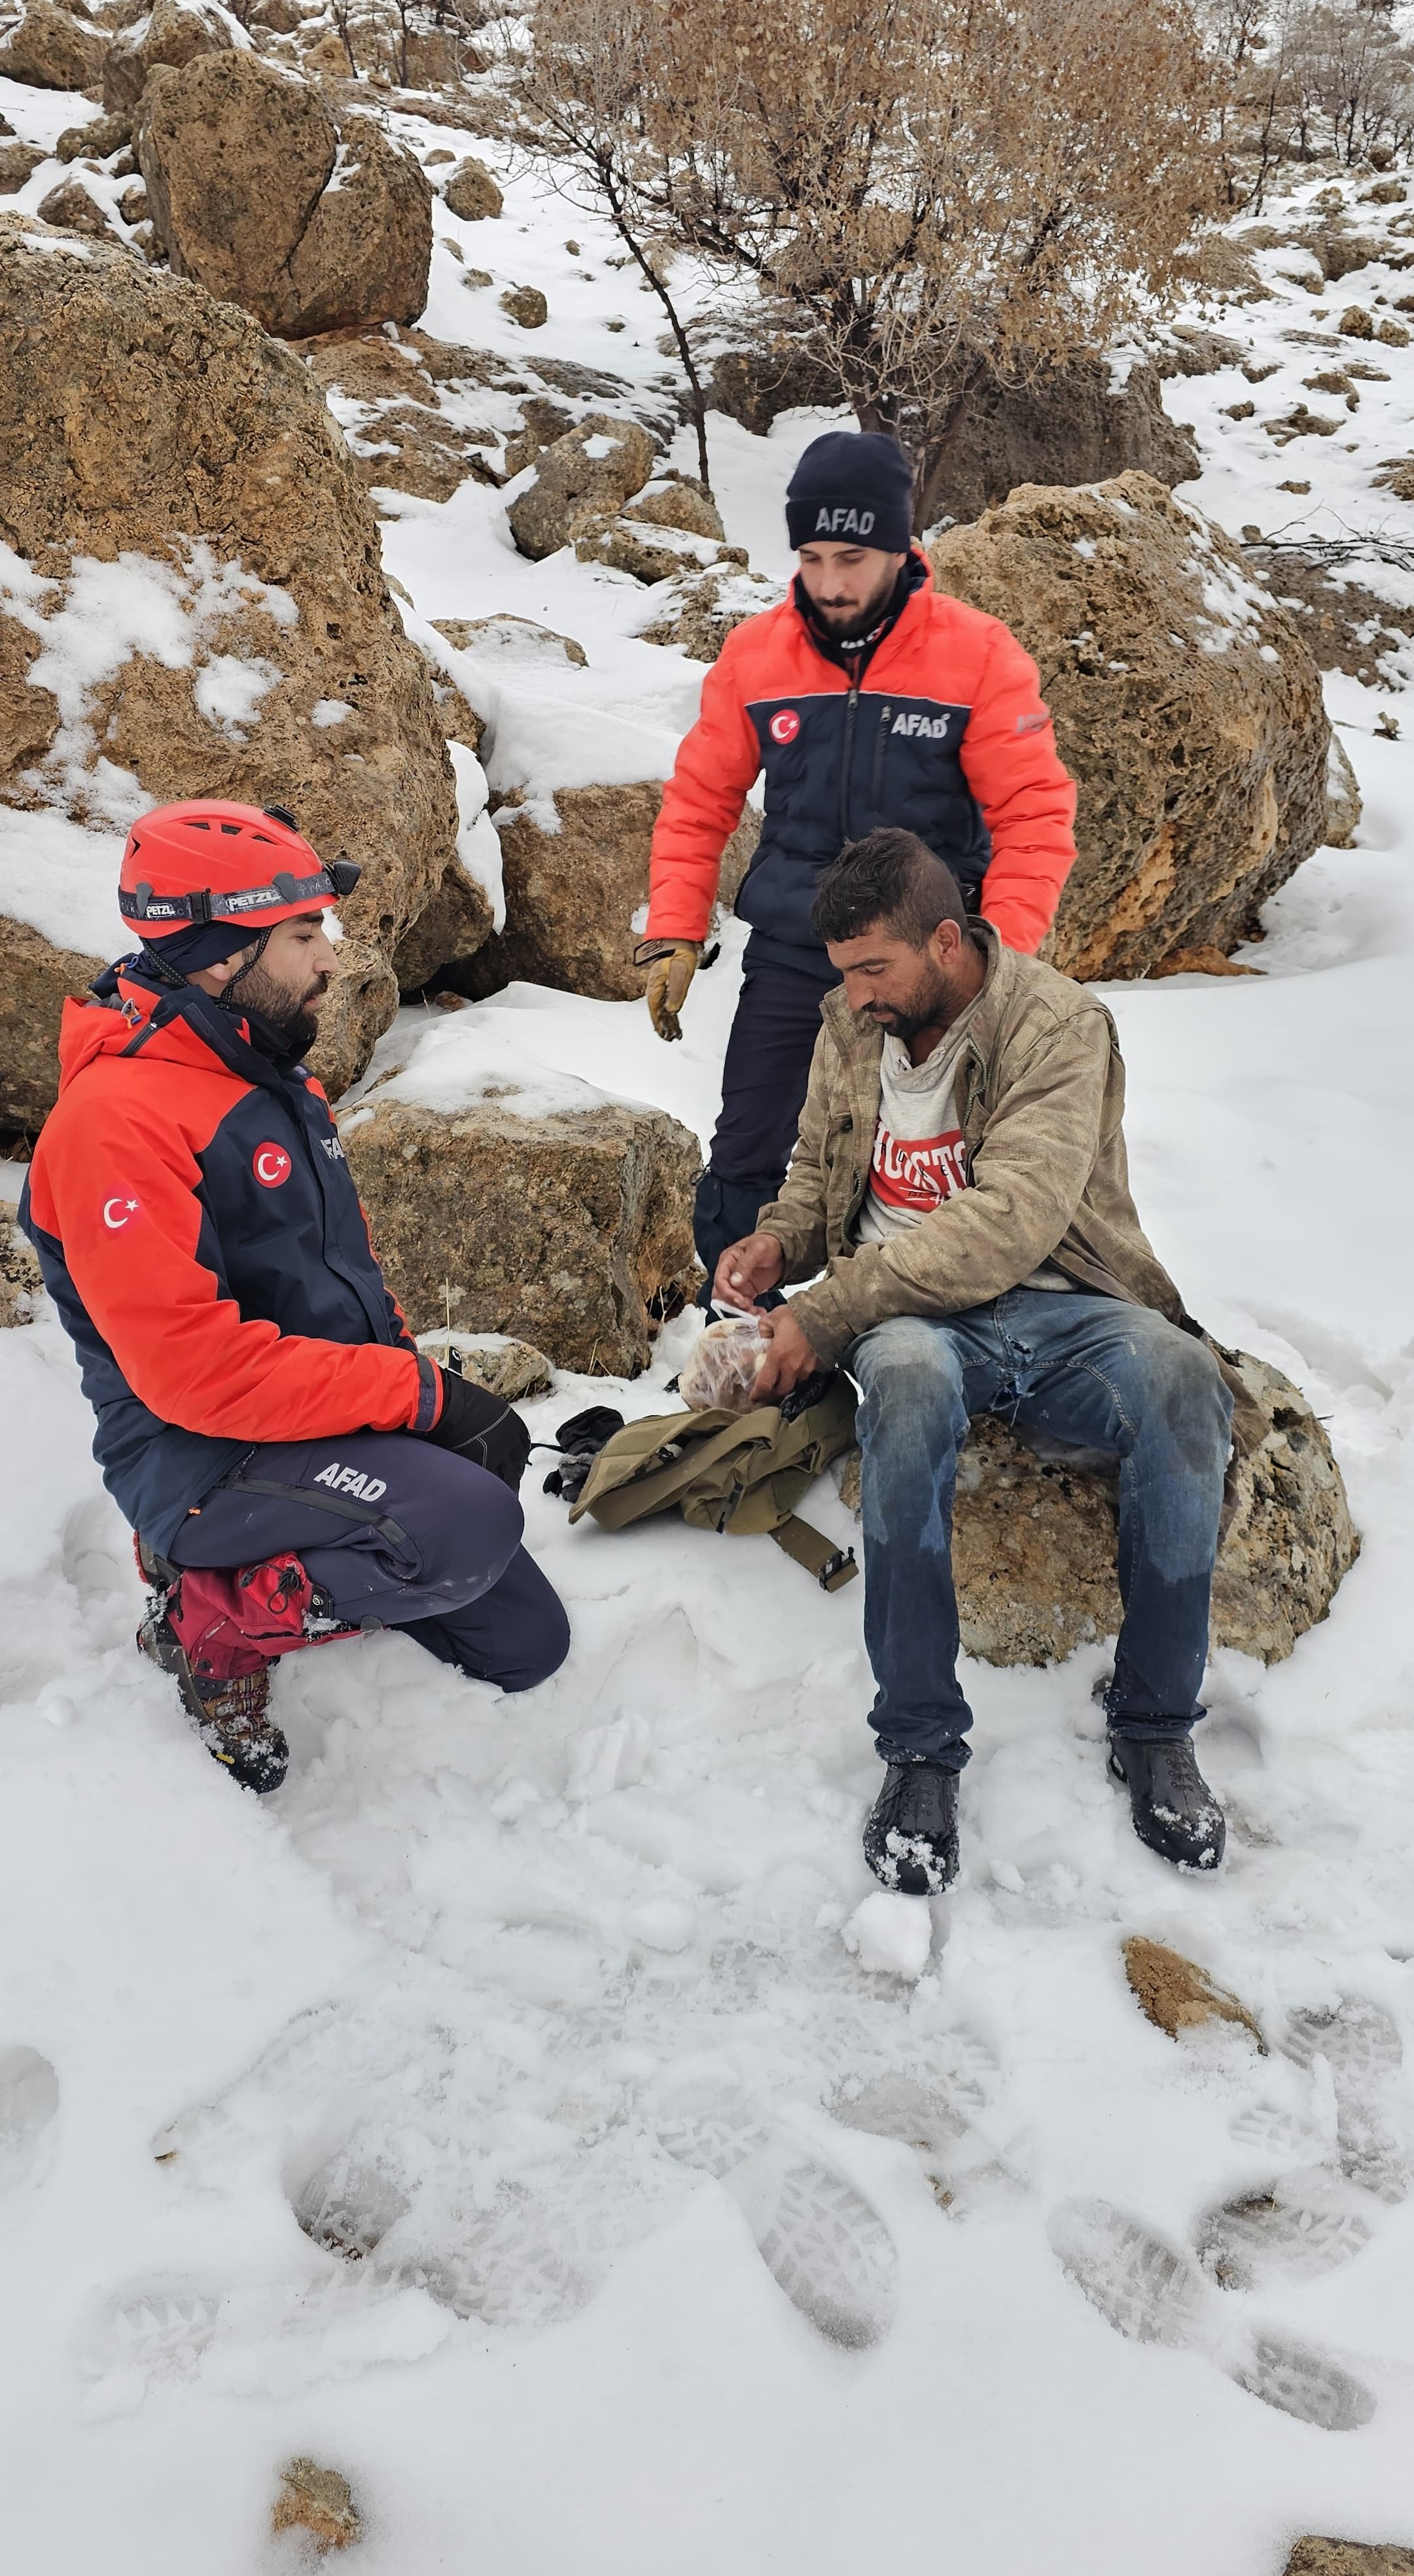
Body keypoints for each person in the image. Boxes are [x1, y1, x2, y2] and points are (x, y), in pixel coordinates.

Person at [713, 828, 1237, 1890]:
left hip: (1060, 1306)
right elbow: (820, 1174)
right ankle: (917, 1749)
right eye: (844, 973)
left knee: (1182, 1379)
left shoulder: (1056, 1025)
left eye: (875, 970)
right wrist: (781, 1239)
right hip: (918, 1320)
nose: (855, 996)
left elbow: (1013, 1221)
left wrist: (836, 1304)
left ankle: (1155, 1725)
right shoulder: (850, 1022)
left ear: (946, 943)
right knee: (902, 1385)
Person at [20, 800, 569, 1793]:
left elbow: (339, 1282)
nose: (332, 959)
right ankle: (209, 1616)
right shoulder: (118, 1122)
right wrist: (419, 1398)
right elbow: (192, 1373)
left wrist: (407, 1378)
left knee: (524, 1641)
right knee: (462, 1528)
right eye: (306, 935)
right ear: (223, 956)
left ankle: (307, 1560)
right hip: (200, 1456)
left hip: (306, 1421)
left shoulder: (263, 1072)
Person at [639, 428, 1078, 1289]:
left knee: (928, 1170)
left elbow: (1033, 813)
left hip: (934, 960)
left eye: (852, 557)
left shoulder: (979, 656)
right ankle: (753, 1358)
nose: (831, 583)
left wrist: (1004, 960)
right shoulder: (756, 656)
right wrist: (675, 931)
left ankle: (903, 1342)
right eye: (811, 557)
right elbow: (700, 801)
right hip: (799, 952)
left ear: (898, 547)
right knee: (749, 1157)